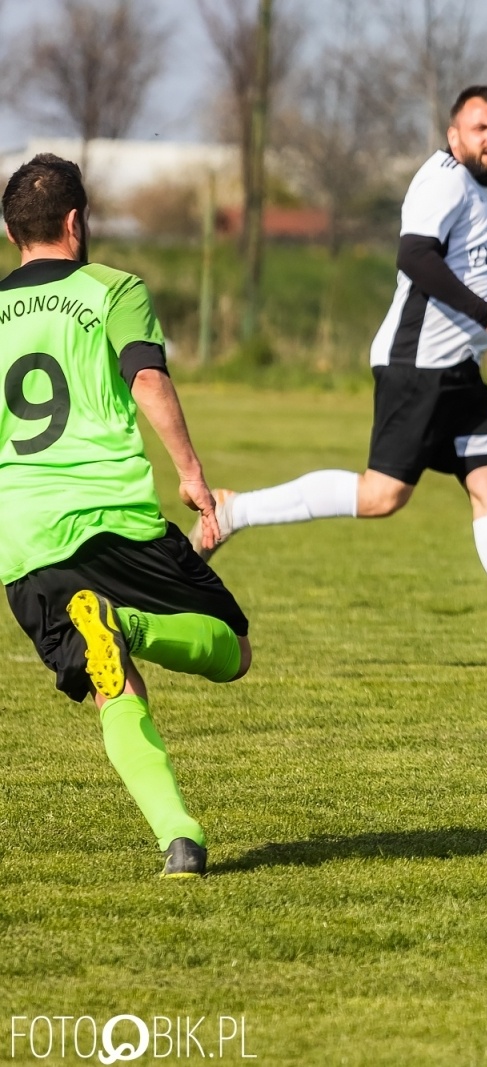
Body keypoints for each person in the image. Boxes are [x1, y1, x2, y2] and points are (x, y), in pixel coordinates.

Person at [194, 85, 487, 676]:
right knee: (381, 497)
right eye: (480, 128)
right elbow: (415, 258)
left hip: (459, 373)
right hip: (417, 366)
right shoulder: (443, 179)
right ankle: (236, 511)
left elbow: (469, 268)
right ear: (453, 135)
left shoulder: (480, 190)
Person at [1, 154, 250, 878]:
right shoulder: (114, 288)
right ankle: (130, 622)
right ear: (77, 223)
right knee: (233, 647)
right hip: (111, 514)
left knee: (114, 684)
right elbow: (145, 376)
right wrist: (193, 474)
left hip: (26, 534)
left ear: (12, 231)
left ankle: (179, 837)